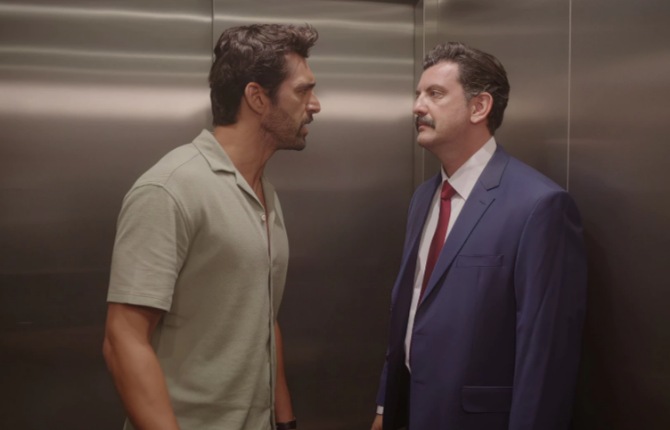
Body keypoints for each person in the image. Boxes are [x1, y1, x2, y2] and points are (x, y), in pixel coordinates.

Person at [102, 24, 321, 430]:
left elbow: (263, 316)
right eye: (302, 90)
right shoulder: (170, 188)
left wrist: (285, 419)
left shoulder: (264, 194)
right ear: (257, 97)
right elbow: (123, 340)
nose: (316, 105)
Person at [371, 42, 587, 430]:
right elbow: (410, 311)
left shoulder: (538, 206)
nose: (418, 106)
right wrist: (386, 406)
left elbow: (545, 353)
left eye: (435, 94)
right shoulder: (423, 198)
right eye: (418, 94)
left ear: (479, 107)